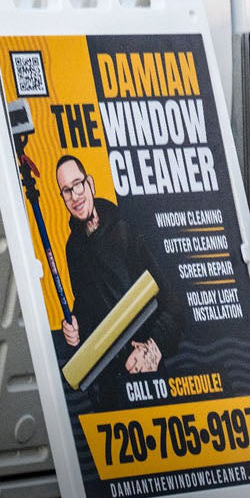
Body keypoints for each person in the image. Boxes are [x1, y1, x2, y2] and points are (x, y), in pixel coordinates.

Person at [55, 155, 181, 389]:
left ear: (90, 184)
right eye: (66, 191)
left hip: (144, 372)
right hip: (107, 382)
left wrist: (153, 349)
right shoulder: (73, 248)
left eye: (78, 184)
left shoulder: (126, 229)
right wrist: (74, 327)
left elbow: (172, 305)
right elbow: (86, 306)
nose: (75, 196)